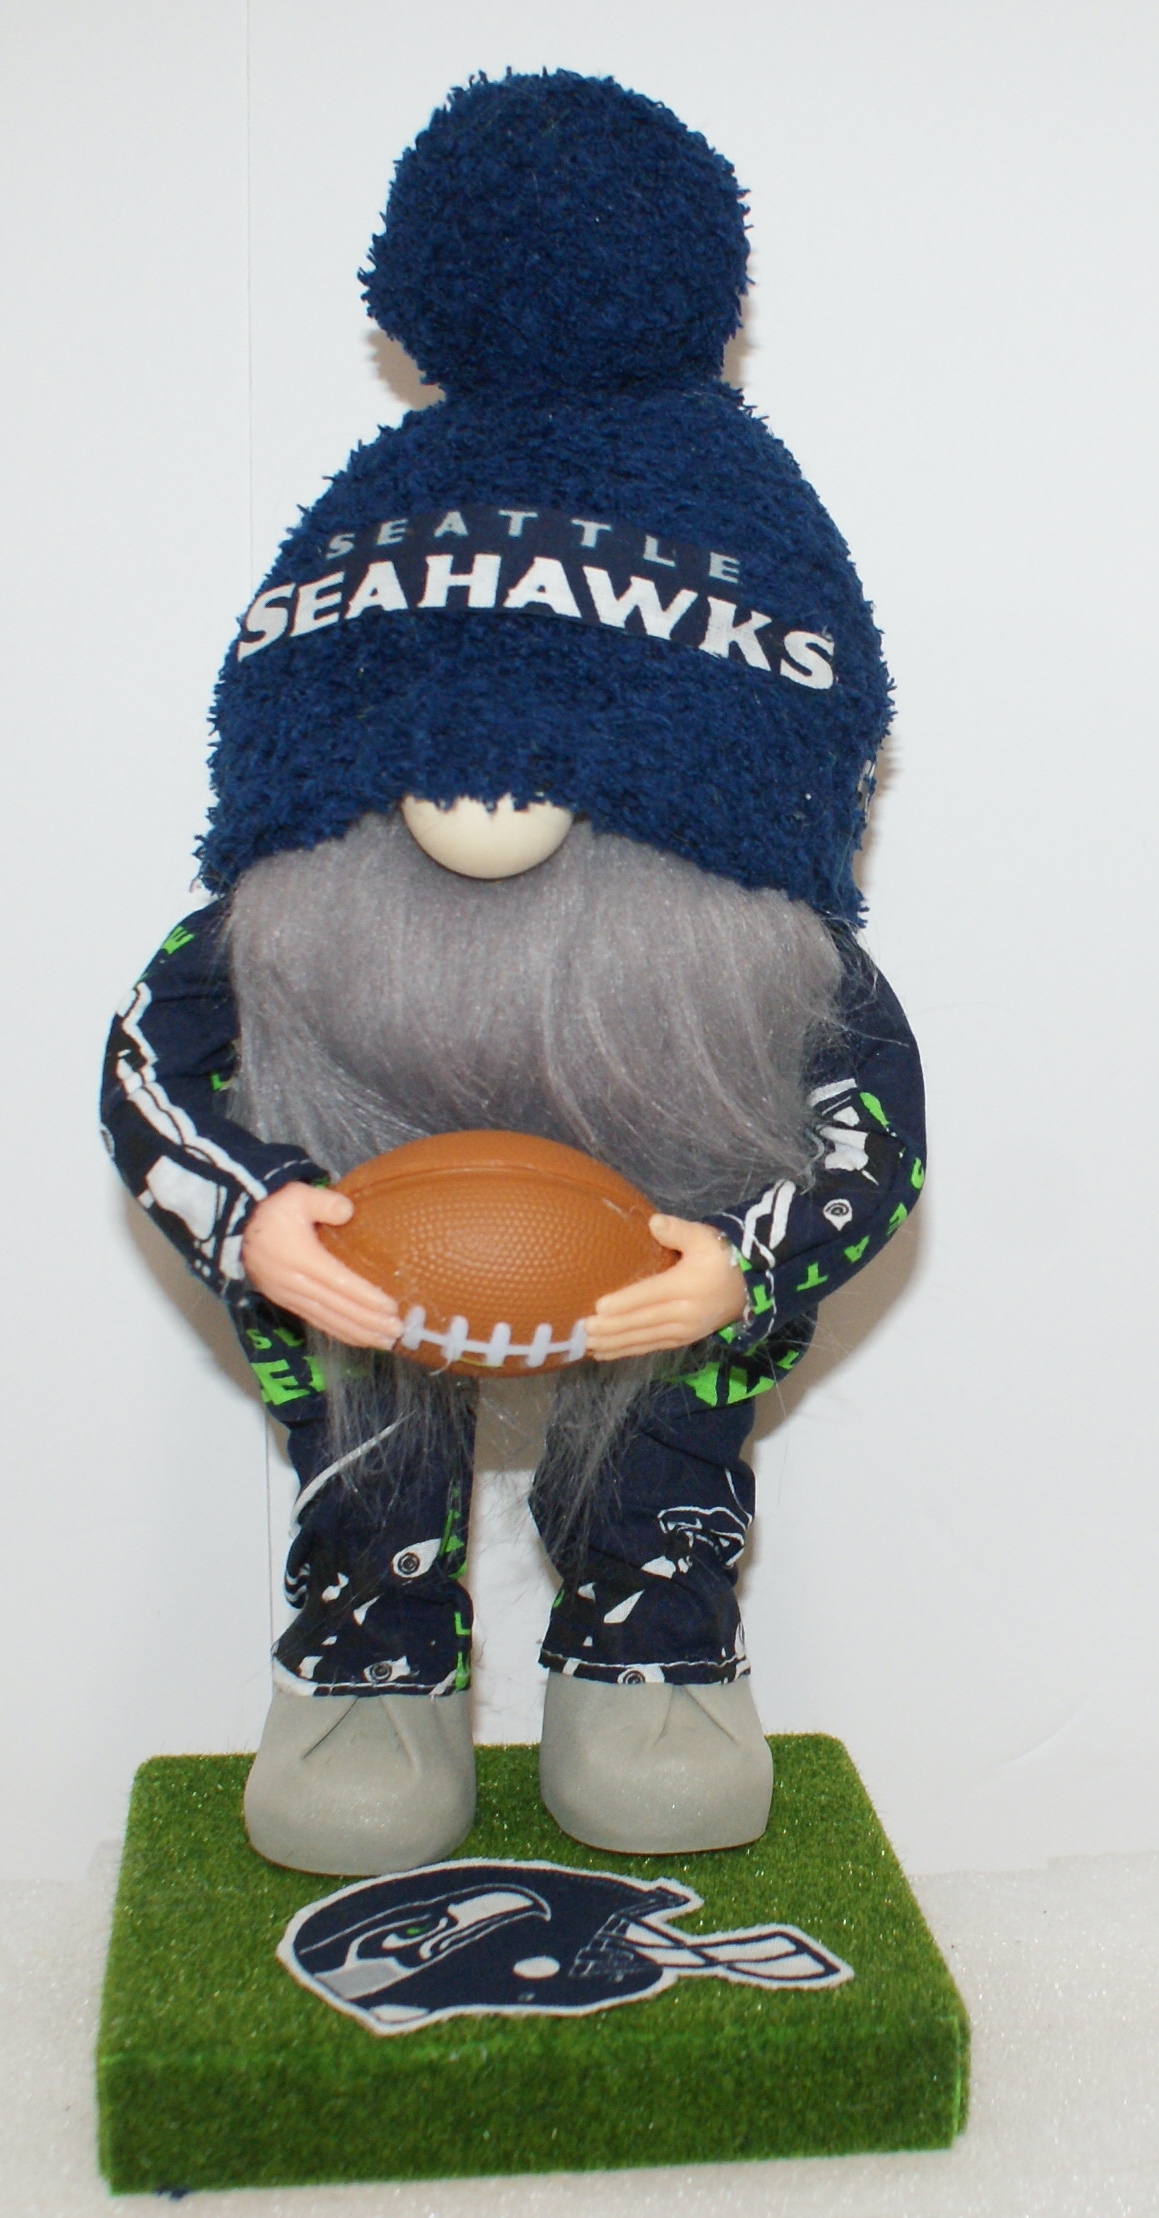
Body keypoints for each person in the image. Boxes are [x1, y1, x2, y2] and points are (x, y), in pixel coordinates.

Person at [102, 71, 923, 1875]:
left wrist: (744, 1259)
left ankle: (653, 1650)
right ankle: (366, 1657)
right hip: (366, 1217)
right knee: (354, 1393)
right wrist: (256, 1215)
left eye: (569, 758)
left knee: (669, 1415)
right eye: (428, 747)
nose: (487, 801)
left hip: (666, 1198)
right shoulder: (285, 927)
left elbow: (873, 1125)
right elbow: (157, 1059)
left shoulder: (768, 954)